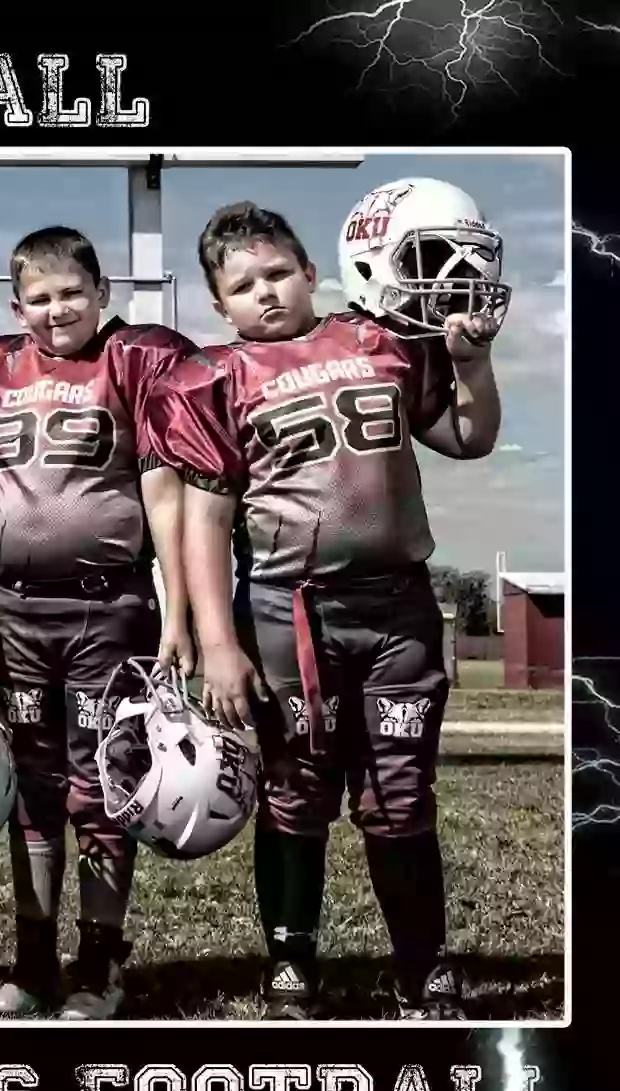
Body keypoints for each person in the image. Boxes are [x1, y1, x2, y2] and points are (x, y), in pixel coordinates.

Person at [146, 183, 507, 1018]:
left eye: (278, 272)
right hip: (286, 611)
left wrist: (474, 366)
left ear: (314, 271)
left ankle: (424, 964)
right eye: (243, 286)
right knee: (296, 789)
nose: (265, 292)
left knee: (401, 791)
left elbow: (468, 436)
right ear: (218, 303)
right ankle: (290, 964)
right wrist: (218, 642)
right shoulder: (216, 378)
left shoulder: (380, 340)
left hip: (397, 606)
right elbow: (205, 522)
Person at [0, 226, 197, 1019]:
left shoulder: (131, 362)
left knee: (100, 784)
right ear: (18, 306)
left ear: (104, 295)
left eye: (72, 294)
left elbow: (164, 499)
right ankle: (31, 955)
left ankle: (98, 959)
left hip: (107, 602)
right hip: (15, 605)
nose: (58, 311)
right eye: (41, 298)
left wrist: (181, 611)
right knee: (32, 783)